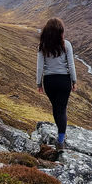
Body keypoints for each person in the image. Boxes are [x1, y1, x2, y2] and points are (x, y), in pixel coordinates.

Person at [36, 18, 77, 151]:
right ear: (60, 31)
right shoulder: (67, 45)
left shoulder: (42, 46)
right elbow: (71, 65)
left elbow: (39, 68)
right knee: (61, 108)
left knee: (56, 108)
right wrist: (74, 81)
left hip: (49, 82)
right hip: (64, 81)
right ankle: (60, 140)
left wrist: (39, 83)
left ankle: (60, 136)